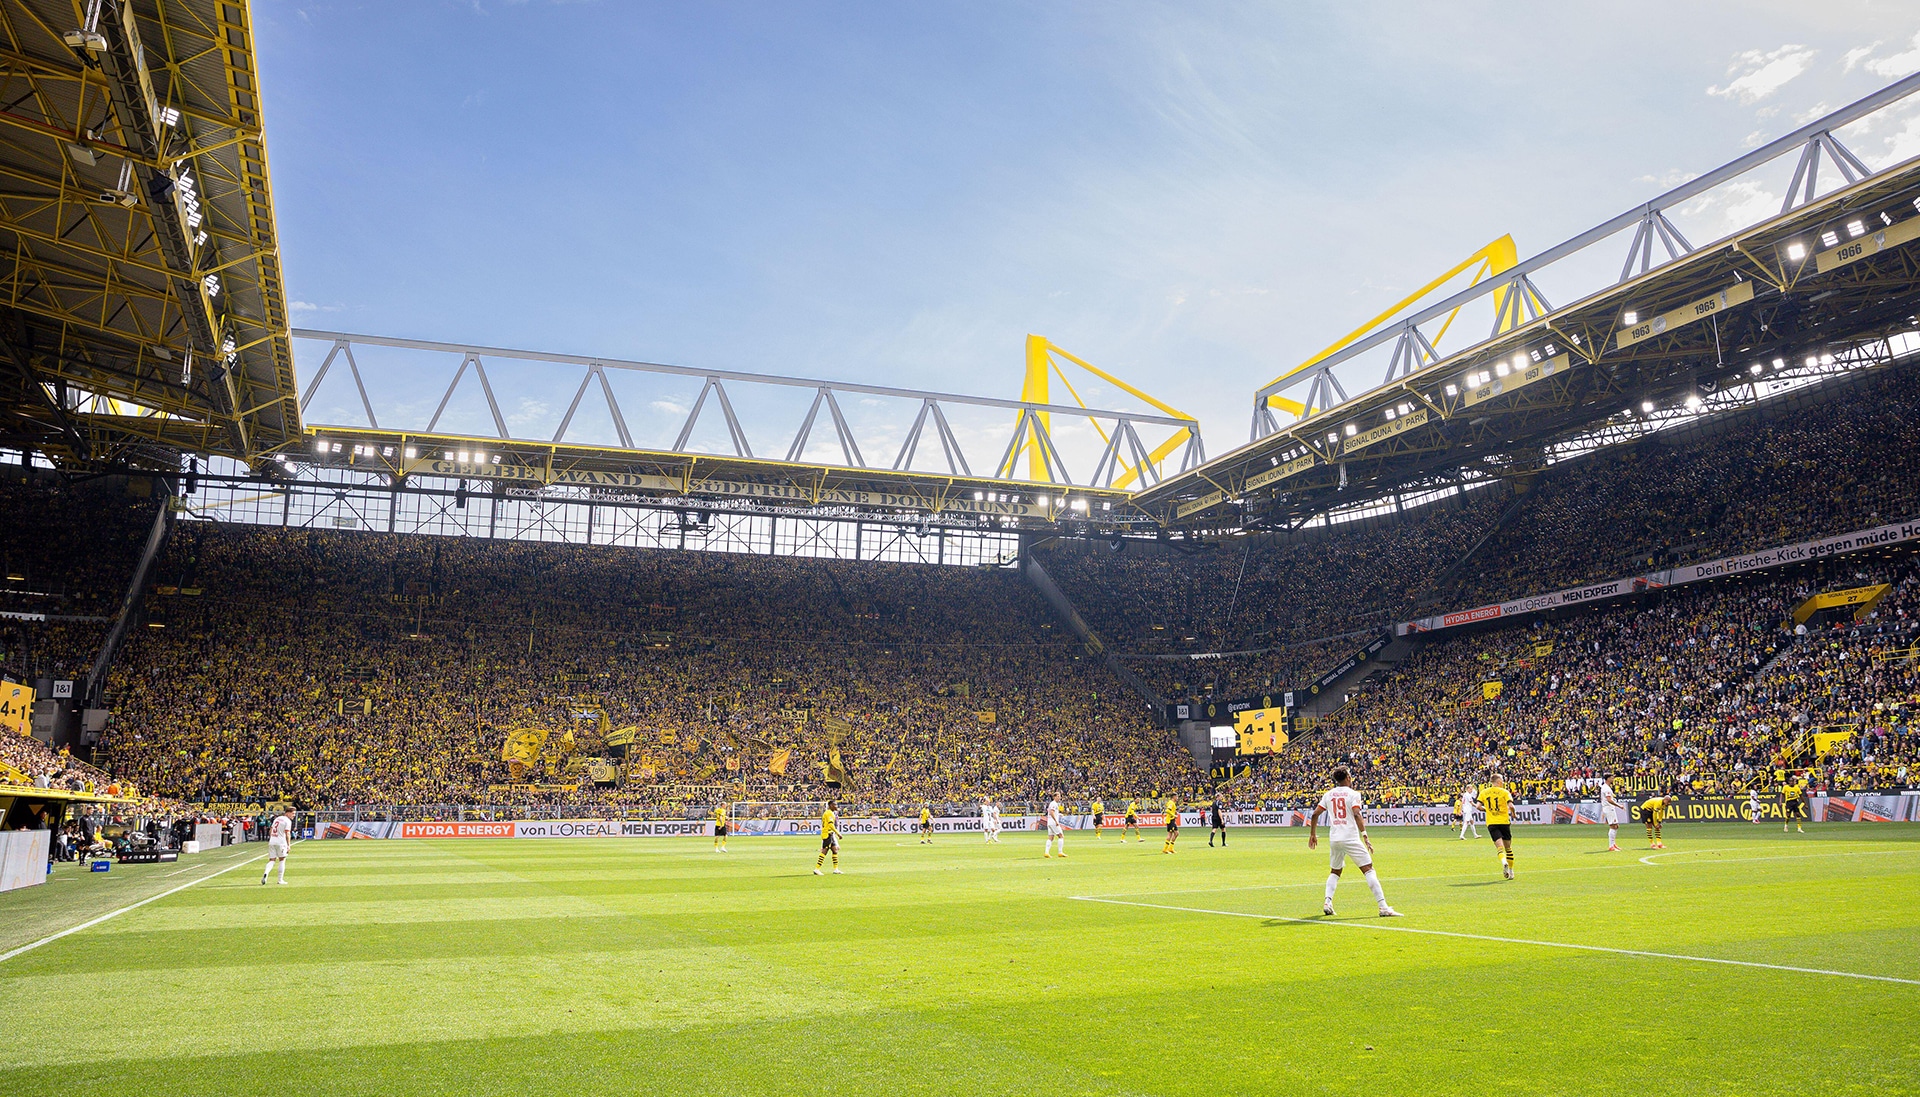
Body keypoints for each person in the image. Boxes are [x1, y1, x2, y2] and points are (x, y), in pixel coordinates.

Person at [1307, 766, 1399, 917]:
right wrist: (1365, 835)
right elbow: (1356, 814)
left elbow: (1315, 814)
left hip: (1335, 838)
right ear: (1348, 777)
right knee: (1368, 869)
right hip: (1350, 837)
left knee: (1335, 871)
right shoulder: (1354, 794)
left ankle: (1327, 902)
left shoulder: (1328, 794)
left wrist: (1313, 834)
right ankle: (1383, 907)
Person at [1480, 775, 1515, 879]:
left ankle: (1504, 862)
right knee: (1508, 848)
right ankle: (1511, 872)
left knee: (1500, 848)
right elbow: (1511, 806)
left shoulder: (1484, 792)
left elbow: (1478, 806)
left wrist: (1487, 810)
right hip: (1504, 822)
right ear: (1499, 781)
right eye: (1502, 780)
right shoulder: (1504, 792)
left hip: (1492, 823)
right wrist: (1513, 813)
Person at [261, 807, 293, 885]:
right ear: (287, 813)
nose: (294, 815)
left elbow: (271, 830)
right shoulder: (287, 821)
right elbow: (287, 833)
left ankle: (266, 873)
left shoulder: (277, 819)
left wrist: (272, 837)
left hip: (272, 841)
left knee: (272, 860)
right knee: (282, 860)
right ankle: (280, 879)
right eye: (293, 813)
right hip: (281, 842)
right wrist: (288, 845)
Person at [813, 801, 842, 875]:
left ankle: (836, 869)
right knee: (825, 851)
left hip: (830, 834)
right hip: (827, 834)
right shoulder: (829, 813)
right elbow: (831, 825)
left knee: (835, 850)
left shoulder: (831, 813)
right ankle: (817, 869)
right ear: (830, 805)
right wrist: (838, 833)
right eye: (835, 805)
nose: (836, 806)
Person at [1600, 779, 1623, 852]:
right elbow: (1609, 800)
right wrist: (1619, 806)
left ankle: (1613, 844)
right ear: (1608, 779)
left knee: (1616, 826)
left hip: (1609, 808)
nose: (1613, 779)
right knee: (1613, 826)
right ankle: (1611, 846)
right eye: (1612, 778)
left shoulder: (1605, 787)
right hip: (1609, 808)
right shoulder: (1606, 788)